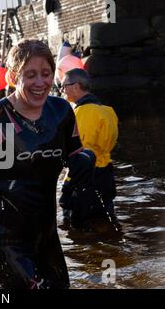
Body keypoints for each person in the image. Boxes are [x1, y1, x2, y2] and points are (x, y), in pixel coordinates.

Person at [0, 39, 95, 289]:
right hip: (4, 239)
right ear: (14, 76)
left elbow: (76, 152)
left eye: (46, 74)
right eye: (30, 75)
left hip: (47, 236)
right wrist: (1, 187)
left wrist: (86, 159)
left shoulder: (61, 111)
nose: (40, 83)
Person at [59, 68, 119, 229]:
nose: (62, 90)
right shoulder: (108, 111)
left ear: (76, 86)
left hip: (85, 178)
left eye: (64, 86)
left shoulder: (80, 113)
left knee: (77, 229)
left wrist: (67, 187)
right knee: (107, 223)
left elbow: (80, 154)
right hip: (106, 174)